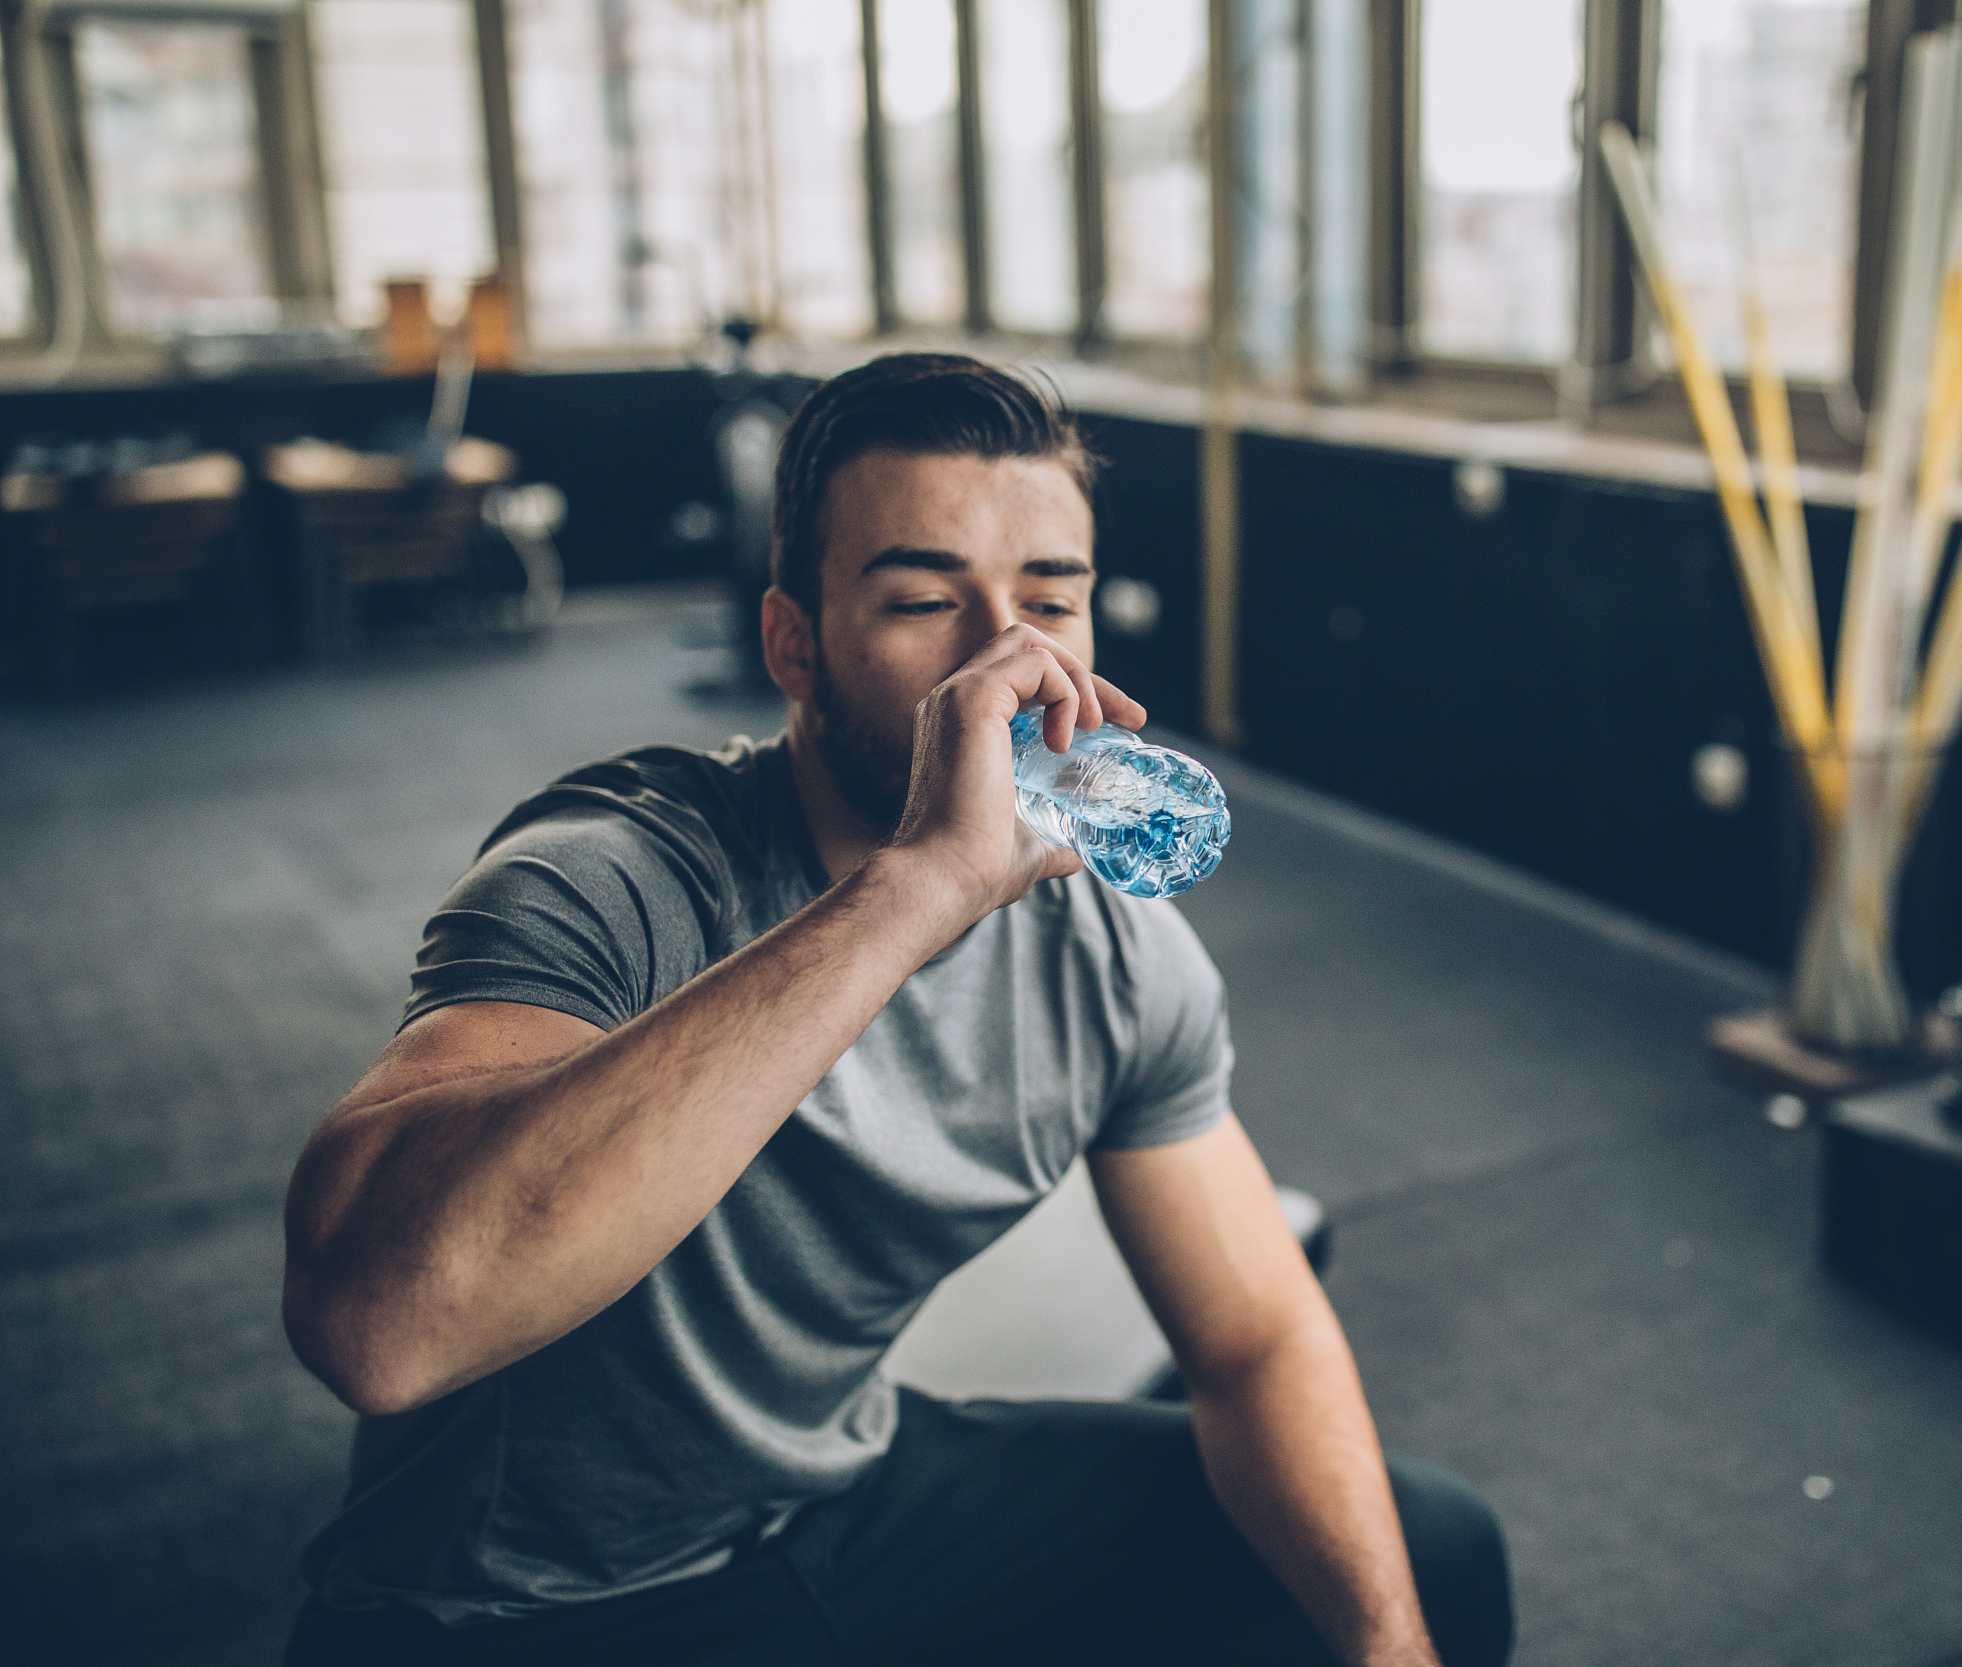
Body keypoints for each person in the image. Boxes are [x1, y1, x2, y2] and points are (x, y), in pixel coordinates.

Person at [279, 353, 1513, 1667]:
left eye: (1054, 601)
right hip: (524, 1606)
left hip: (839, 1498)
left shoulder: (1111, 954)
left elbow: (1253, 1338)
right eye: (925, 600)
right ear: (793, 646)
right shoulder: (617, 873)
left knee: (1424, 1559)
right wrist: (919, 889)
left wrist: (1389, 1655)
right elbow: (378, 1327)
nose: (1010, 658)